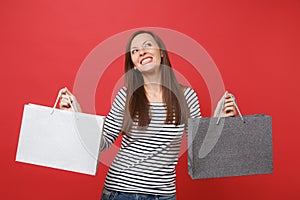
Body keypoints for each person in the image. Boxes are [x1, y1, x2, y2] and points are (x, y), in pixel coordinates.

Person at [59, 30, 236, 200]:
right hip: (121, 192)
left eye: (147, 45)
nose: (141, 52)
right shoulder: (127, 95)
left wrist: (218, 120)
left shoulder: (187, 96)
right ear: (134, 65)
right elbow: (103, 141)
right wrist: (78, 117)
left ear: (161, 54)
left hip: (164, 195)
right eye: (135, 51)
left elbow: (198, 146)